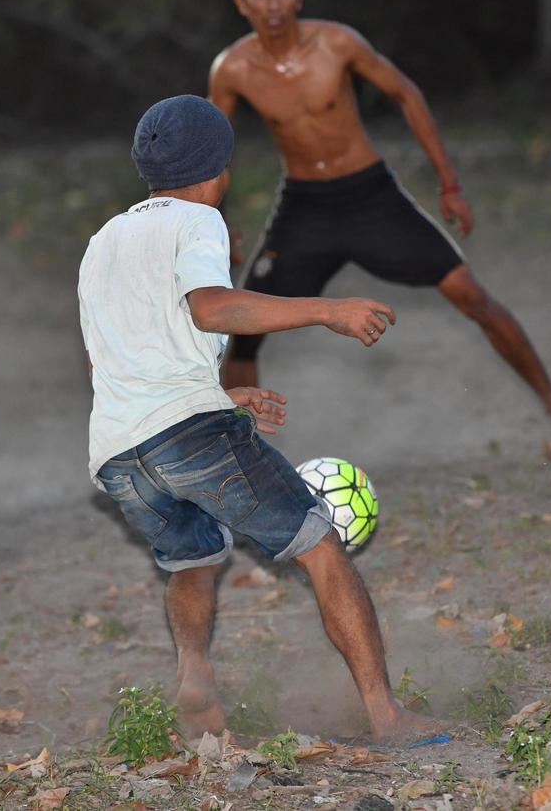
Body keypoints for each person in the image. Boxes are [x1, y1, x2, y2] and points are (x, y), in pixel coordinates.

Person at [79, 94, 437, 741]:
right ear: (221, 166)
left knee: (193, 562)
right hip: (187, 434)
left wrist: (220, 396)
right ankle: (387, 716)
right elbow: (212, 308)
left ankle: (194, 673)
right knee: (321, 546)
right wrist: (327, 311)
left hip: (120, 452)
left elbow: (110, 364)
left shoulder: (104, 242)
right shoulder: (197, 221)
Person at [208, 0, 551, 449]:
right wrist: (216, 220)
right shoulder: (233, 69)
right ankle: (244, 456)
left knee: (473, 295)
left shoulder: (337, 43)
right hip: (305, 208)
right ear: (241, 2)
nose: (274, 5)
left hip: (371, 196)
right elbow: (215, 146)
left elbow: (406, 92)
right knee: (244, 329)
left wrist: (450, 183)